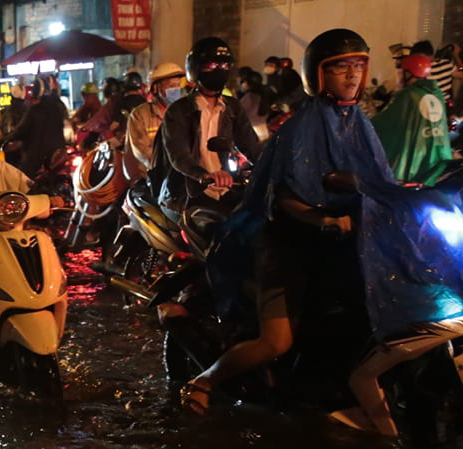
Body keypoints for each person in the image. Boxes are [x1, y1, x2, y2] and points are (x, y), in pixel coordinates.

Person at [180, 28, 463, 426]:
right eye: (340, 68)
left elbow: (379, 178)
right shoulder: (301, 127)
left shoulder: (360, 122)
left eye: (358, 67)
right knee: (277, 341)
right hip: (288, 241)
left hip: (341, 240)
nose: (351, 76)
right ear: (318, 74)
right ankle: (205, 381)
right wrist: (324, 218)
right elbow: (283, 197)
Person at [152, 36, 262, 219]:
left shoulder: (232, 108)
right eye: (211, 66)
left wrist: (271, 165)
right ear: (195, 69)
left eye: (225, 66)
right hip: (188, 193)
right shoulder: (178, 111)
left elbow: (251, 145)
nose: (219, 71)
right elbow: (179, 155)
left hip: (226, 188)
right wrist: (203, 175)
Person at [371, 48, 452, 184]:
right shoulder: (437, 94)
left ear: (409, 73)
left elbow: (385, 122)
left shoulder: (407, 95)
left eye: (403, 72)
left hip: (413, 162)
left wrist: (367, 124)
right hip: (438, 158)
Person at [122, 61, 185, 180]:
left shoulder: (183, 112)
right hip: (149, 177)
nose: (176, 90)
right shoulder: (140, 115)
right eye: (171, 86)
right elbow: (142, 151)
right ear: (156, 88)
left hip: (180, 176)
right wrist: (169, 164)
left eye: (178, 86)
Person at [5, 74, 69, 177]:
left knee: (24, 180)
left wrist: (8, 138)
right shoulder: (59, 107)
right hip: (59, 153)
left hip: (37, 155)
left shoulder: (34, 110)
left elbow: (21, 130)